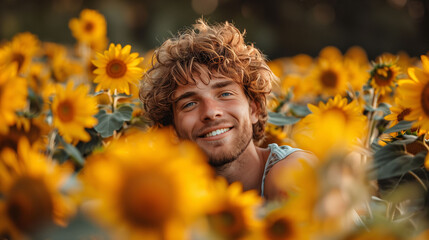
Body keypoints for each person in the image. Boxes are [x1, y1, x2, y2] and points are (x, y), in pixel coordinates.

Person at [139, 18, 314, 200]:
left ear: (253, 108)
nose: (210, 112)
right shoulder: (176, 197)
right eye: (189, 104)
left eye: (225, 94)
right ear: (171, 130)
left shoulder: (291, 172)